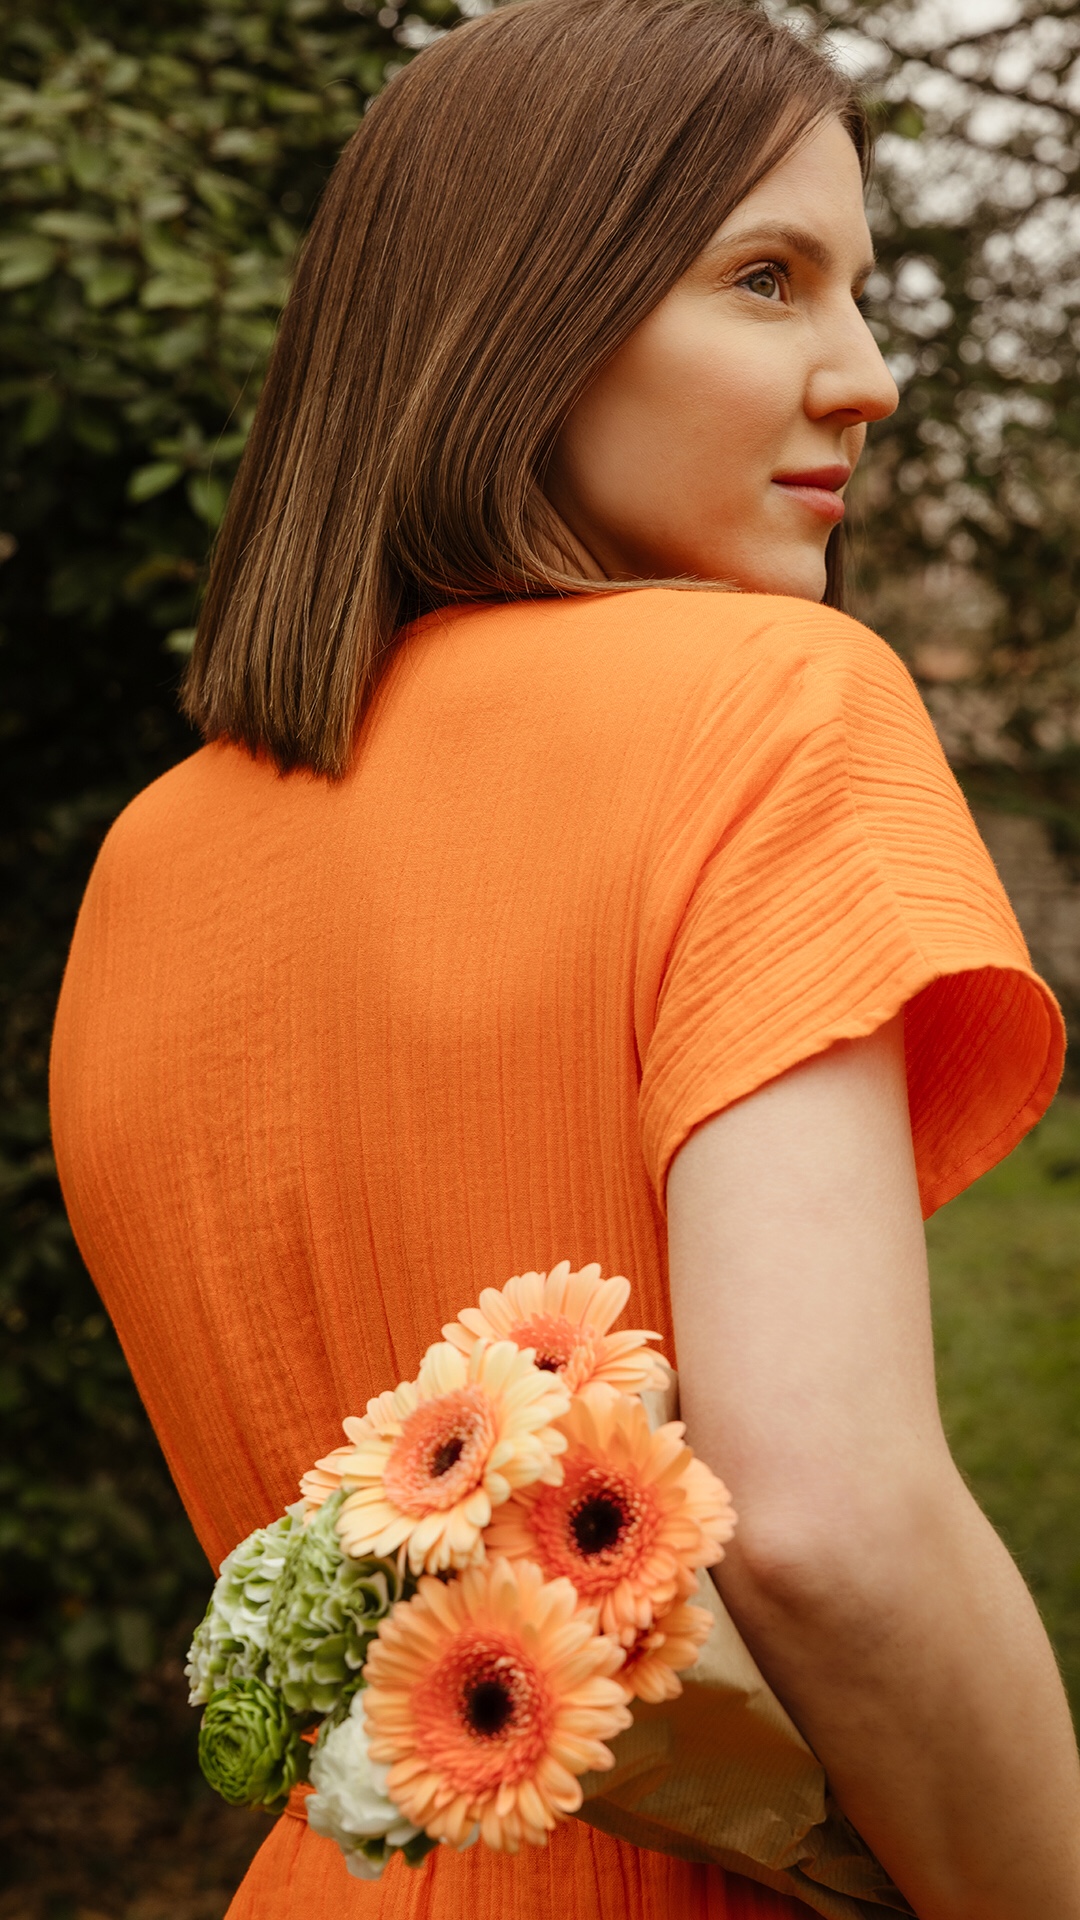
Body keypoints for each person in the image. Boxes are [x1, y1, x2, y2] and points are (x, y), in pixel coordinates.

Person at [49, 2, 1080, 1916]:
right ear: (524, 312)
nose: (867, 379)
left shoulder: (146, 861)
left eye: (859, 293)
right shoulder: (771, 702)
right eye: (766, 279)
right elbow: (835, 1532)